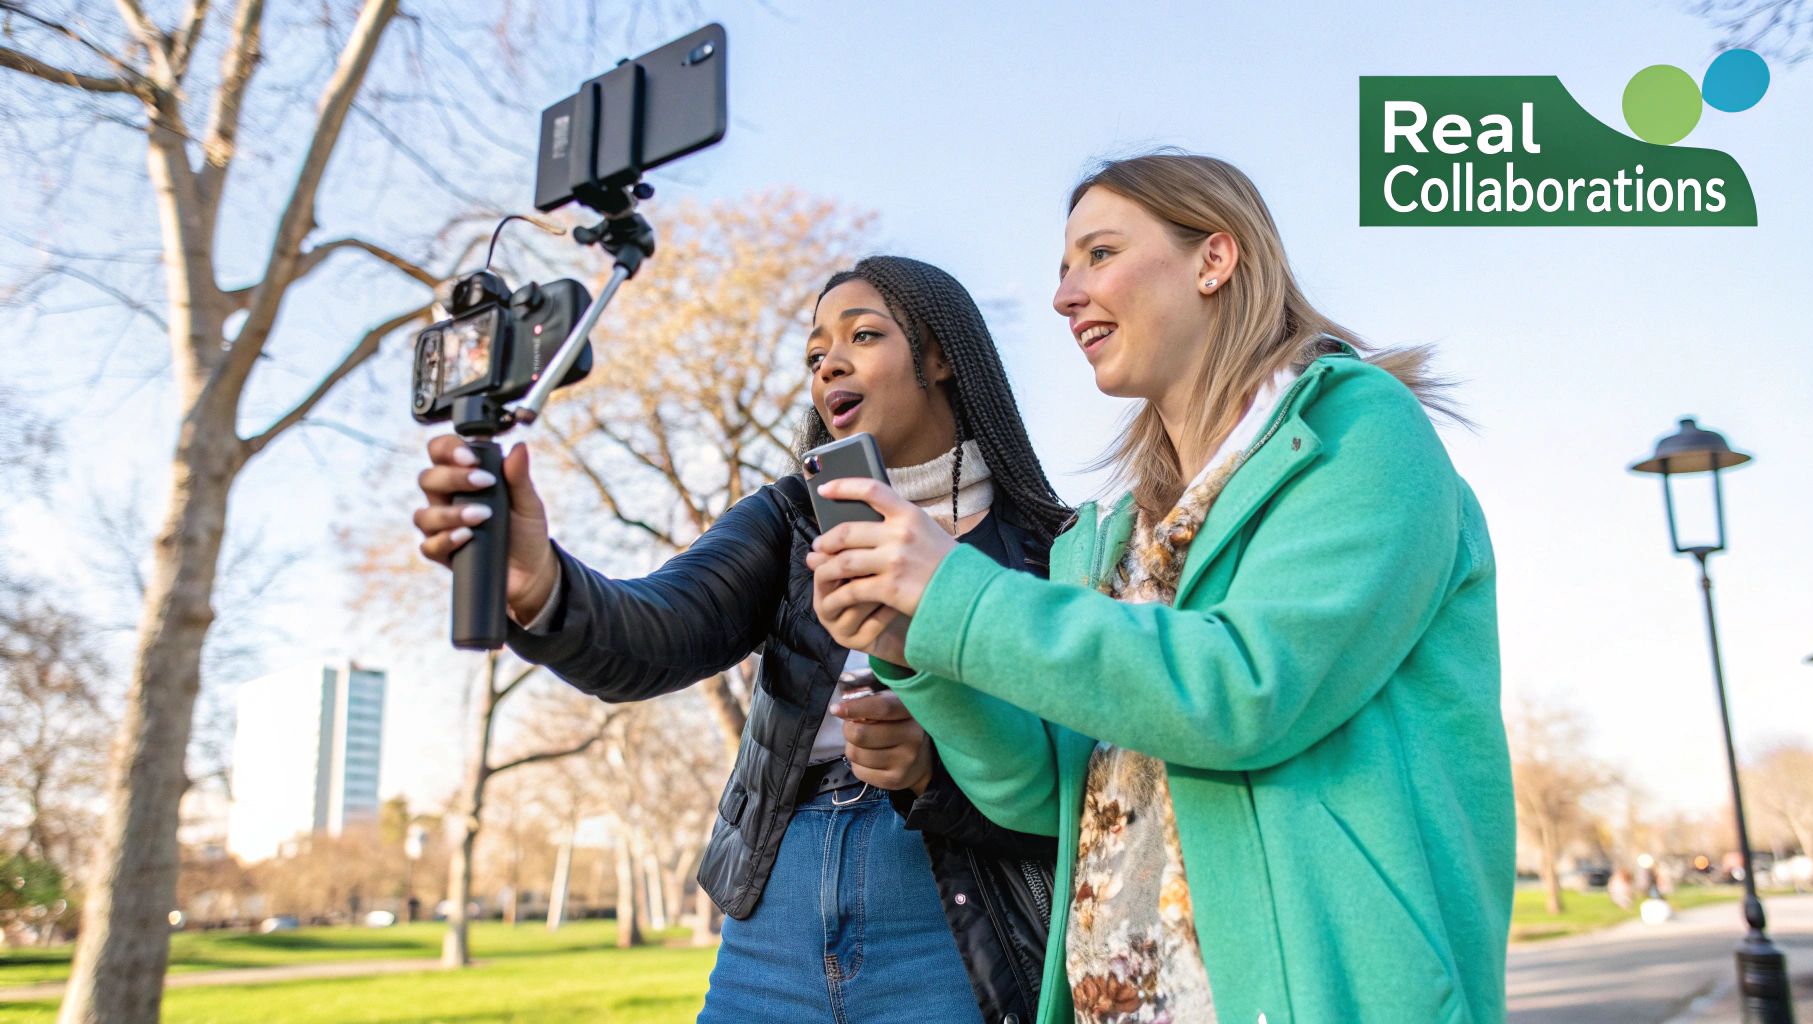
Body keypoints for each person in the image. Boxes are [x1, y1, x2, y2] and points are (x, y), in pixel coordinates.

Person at [809, 153, 1515, 1023]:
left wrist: (957, 593)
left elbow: (1245, 689)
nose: (1065, 296)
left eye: (1099, 255)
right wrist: (912, 644)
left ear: (1214, 258)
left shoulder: (1357, 433)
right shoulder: (1115, 535)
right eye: (1064, 269)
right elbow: (1049, 794)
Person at [414, 255, 1072, 1024]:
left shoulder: (1052, 551)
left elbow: (1075, 785)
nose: (829, 365)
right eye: (815, 354)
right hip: (775, 912)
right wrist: (543, 586)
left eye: (863, 335)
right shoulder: (788, 521)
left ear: (940, 354)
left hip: (955, 919)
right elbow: (659, 629)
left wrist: (934, 770)